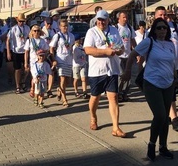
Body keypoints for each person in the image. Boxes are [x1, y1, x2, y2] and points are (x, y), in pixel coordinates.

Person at [122, 17, 177, 161]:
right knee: (160, 115)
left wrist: (176, 79)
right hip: (152, 83)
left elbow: (173, 63)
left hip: (168, 83)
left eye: (164, 27)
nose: (162, 30)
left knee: (166, 118)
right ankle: (152, 144)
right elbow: (133, 54)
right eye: (159, 28)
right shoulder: (149, 42)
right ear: (154, 30)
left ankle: (163, 147)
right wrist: (128, 71)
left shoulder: (171, 44)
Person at [83, 9, 126, 137]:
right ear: (96, 20)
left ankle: (116, 128)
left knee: (113, 97)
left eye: (104, 19)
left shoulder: (113, 30)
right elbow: (88, 50)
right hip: (97, 71)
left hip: (112, 70)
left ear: (108, 20)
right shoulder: (91, 32)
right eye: (99, 19)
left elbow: (121, 47)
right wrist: (105, 52)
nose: (101, 22)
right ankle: (93, 116)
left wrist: (118, 51)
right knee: (95, 97)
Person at [154, 7, 178, 131]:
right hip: (161, 68)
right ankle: (174, 118)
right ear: (155, 16)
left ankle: (167, 114)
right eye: (160, 15)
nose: (163, 17)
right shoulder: (151, 31)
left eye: (164, 15)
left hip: (175, 65)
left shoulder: (174, 25)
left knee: (171, 91)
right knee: (170, 92)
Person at [50, 19, 75, 107]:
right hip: (60, 59)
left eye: (66, 26)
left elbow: (71, 47)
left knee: (67, 81)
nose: (65, 28)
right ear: (60, 27)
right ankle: (64, 99)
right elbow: (51, 47)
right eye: (63, 26)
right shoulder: (57, 36)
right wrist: (53, 59)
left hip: (69, 59)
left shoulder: (71, 36)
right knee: (62, 79)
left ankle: (59, 90)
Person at [6, 13, 31, 94]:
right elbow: (8, 40)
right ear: (17, 20)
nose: (21, 23)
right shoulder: (13, 29)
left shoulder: (27, 28)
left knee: (27, 68)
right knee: (18, 69)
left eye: (23, 21)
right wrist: (8, 52)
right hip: (16, 51)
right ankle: (17, 86)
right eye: (20, 21)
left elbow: (30, 37)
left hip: (25, 51)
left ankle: (23, 82)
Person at [24, 24, 50, 98]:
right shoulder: (29, 41)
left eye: (38, 31)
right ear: (32, 32)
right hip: (33, 61)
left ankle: (36, 90)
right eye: (34, 31)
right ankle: (33, 89)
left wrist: (43, 52)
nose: (36, 32)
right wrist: (26, 63)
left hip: (40, 61)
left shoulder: (42, 41)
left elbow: (47, 49)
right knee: (35, 76)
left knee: (39, 76)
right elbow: (26, 52)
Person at [117, 11, 136, 102]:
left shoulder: (129, 28)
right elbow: (111, 42)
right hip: (119, 56)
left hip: (128, 55)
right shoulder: (115, 28)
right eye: (123, 17)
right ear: (119, 18)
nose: (125, 19)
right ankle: (118, 93)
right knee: (121, 75)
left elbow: (132, 40)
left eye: (126, 17)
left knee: (128, 75)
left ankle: (125, 93)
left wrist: (136, 52)